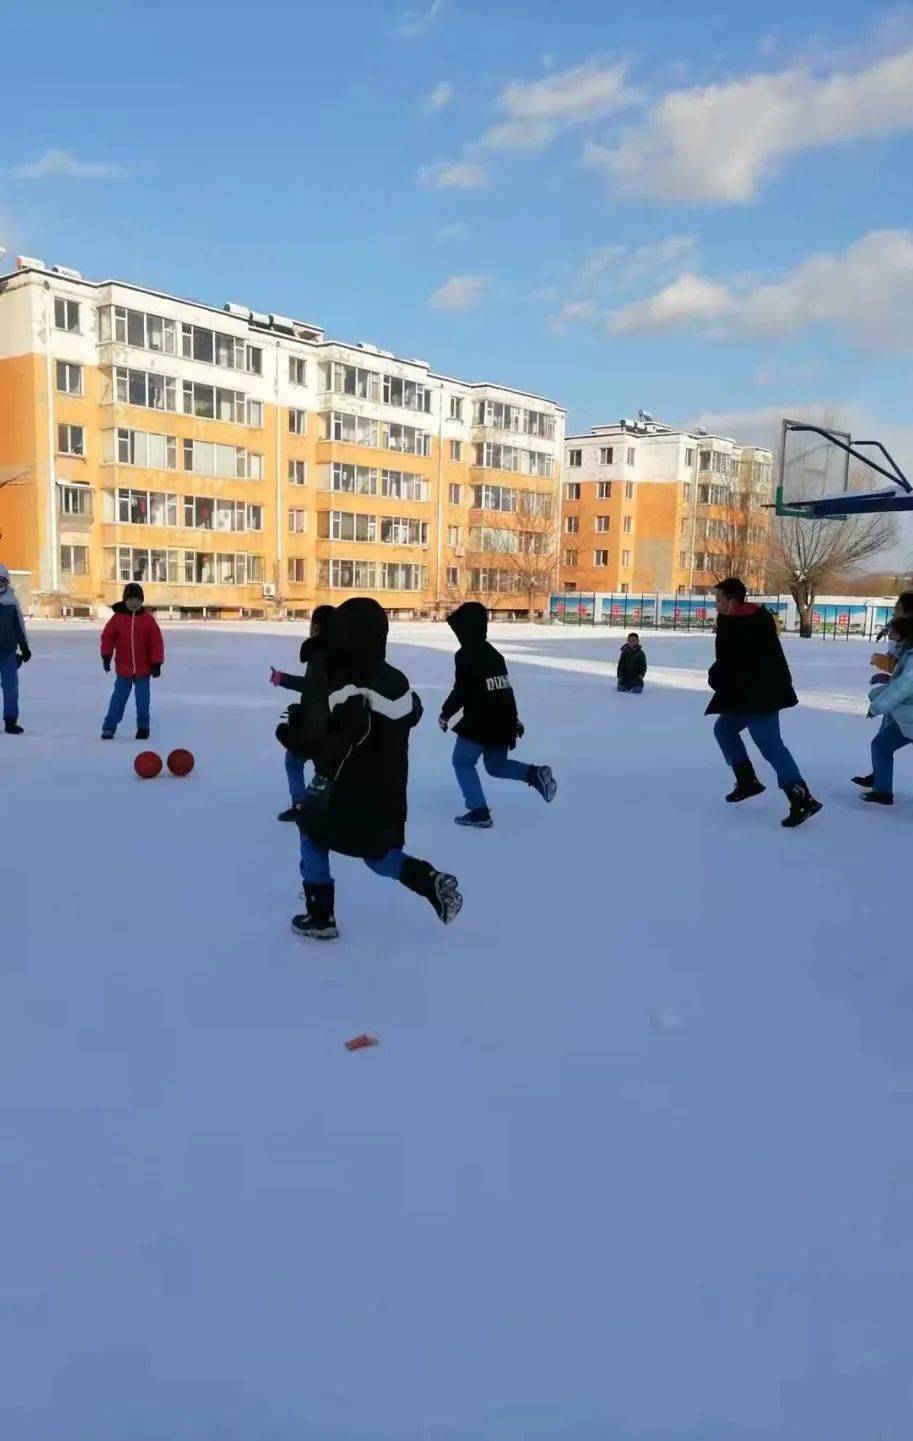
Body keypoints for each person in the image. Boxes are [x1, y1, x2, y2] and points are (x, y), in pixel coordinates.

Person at [292, 596, 462, 940]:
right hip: (389, 789)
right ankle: (428, 880)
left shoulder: (347, 684)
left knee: (311, 835)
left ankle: (320, 917)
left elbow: (342, 739)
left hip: (349, 788)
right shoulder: (397, 680)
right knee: (378, 854)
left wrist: (309, 754)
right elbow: (413, 711)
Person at [707, 576, 821, 828]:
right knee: (724, 730)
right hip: (743, 695)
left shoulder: (755, 623)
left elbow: (744, 663)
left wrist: (719, 676)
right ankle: (747, 781)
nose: (715, 604)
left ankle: (802, 798)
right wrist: (720, 675)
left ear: (733, 601)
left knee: (770, 745)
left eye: (718, 599)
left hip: (763, 695)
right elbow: (728, 660)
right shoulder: (729, 619)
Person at [438, 601, 557, 829]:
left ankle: (478, 811)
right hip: (501, 720)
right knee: (495, 766)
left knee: (462, 761)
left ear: (466, 629)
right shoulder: (495, 654)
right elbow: (503, 690)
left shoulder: (465, 655)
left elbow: (462, 690)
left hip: (480, 721)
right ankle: (534, 774)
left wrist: (445, 713)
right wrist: (514, 720)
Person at [270, 604, 338, 822]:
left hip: (316, 722)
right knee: (324, 767)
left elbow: (313, 688)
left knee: (294, 761)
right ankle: (327, 805)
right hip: (332, 720)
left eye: (312, 623)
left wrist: (284, 679)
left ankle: (301, 804)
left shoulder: (319, 655)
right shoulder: (339, 652)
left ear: (317, 627)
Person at [852, 590, 913, 790]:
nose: (894, 613)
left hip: (906, 708)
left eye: (898, 609)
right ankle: (880, 778)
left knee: (881, 745)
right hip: (903, 708)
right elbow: (901, 673)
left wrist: (879, 705)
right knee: (881, 744)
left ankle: (882, 789)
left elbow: (906, 683)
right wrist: (887, 677)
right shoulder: (906, 642)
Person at [100, 582, 165, 739]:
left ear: (141, 600)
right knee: (118, 699)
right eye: (130, 600)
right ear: (125, 601)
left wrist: (156, 662)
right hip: (124, 669)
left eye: (137, 600)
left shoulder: (148, 620)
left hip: (143, 670)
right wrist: (106, 656)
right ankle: (109, 726)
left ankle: (143, 727)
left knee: (143, 701)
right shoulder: (117, 619)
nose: (134, 603)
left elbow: (156, 642)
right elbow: (108, 638)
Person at [0, 563, 31, 735]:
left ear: (7, 582)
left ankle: (10, 720)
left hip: (8, 653)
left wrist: (24, 647)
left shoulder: (11, 600)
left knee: (11, 686)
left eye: (1, 582)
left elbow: (19, 624)